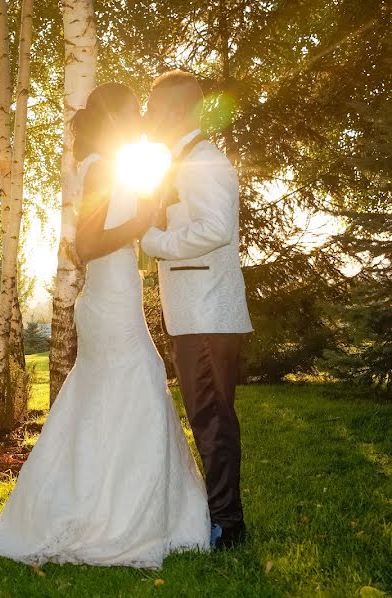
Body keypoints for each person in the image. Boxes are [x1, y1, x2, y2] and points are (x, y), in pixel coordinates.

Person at [0, 82, 211, 568]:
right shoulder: (102, 167)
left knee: (105, 396)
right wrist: (143, 217)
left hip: (111, 295)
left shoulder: (103, 166)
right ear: (115, 120)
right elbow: (85, 244)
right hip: (111, 298)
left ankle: (106, 501)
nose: (140, 122)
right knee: (140, 382)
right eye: (132, 114)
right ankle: (119, 517)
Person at [141, 70, 253, 549]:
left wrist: (155, 242)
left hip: (207, 312)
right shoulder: (182, 161)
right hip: (197, 312)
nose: (148, 120)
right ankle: (220, 515)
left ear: (178, 111)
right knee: (210, 416)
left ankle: (227, 526)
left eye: (154, 110)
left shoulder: (203, 161)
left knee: (212, 420)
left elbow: (216, 228)